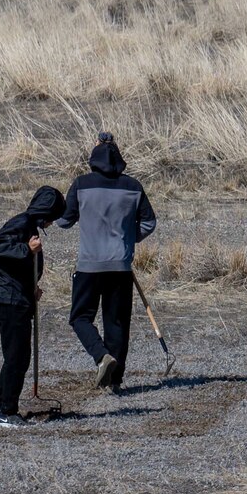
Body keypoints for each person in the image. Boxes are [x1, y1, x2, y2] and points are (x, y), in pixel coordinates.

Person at [56, 133, 157, 390]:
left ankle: (101, 356)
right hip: (120, 265)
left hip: (89, 265)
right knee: (117, 322)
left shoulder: (81, 184)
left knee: (80, 317)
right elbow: (148, 222)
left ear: (93, 156)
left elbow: (64, 221)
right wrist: (127, 239)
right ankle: (115, 382)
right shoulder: (133, 186)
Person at [0, 184, 65, 428]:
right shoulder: (21, 223)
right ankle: (8, 411)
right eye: (53, 218)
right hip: (5, 297)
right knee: (18, 355)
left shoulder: (28, 224)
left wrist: (30, 288)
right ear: (47, 213)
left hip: (13, 295)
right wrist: (26, 248)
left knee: (15, 354)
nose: (51, 224)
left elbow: (15, 266)